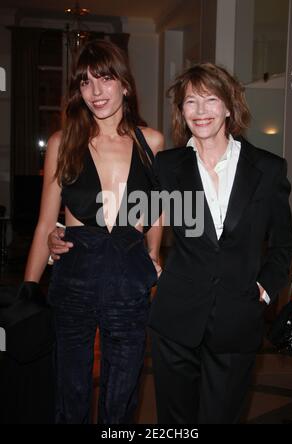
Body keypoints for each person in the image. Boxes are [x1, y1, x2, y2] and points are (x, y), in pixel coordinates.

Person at [148, 63, 292, 424]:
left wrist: (263, 291)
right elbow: (133, 218)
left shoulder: (268, 168)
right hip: (175, 321)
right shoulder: (167, 166)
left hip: (238, 320)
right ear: (181, 111)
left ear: (229, 106)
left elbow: (284, 244)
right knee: (176, 423)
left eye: (210, 100)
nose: (200, 112)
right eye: (190, 102)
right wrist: (67, 230)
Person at [24, 39, 164, 424]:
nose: (96, 91)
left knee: (122, 394)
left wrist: (154, 256)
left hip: (128, 281)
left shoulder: (151, 142)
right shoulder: (62, 142)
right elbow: (44, 223)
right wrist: (29, 289)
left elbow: (155, 211)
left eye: (105, 79)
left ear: (125, 84)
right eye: (85, 82)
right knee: (70, 389)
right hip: (74, 280)